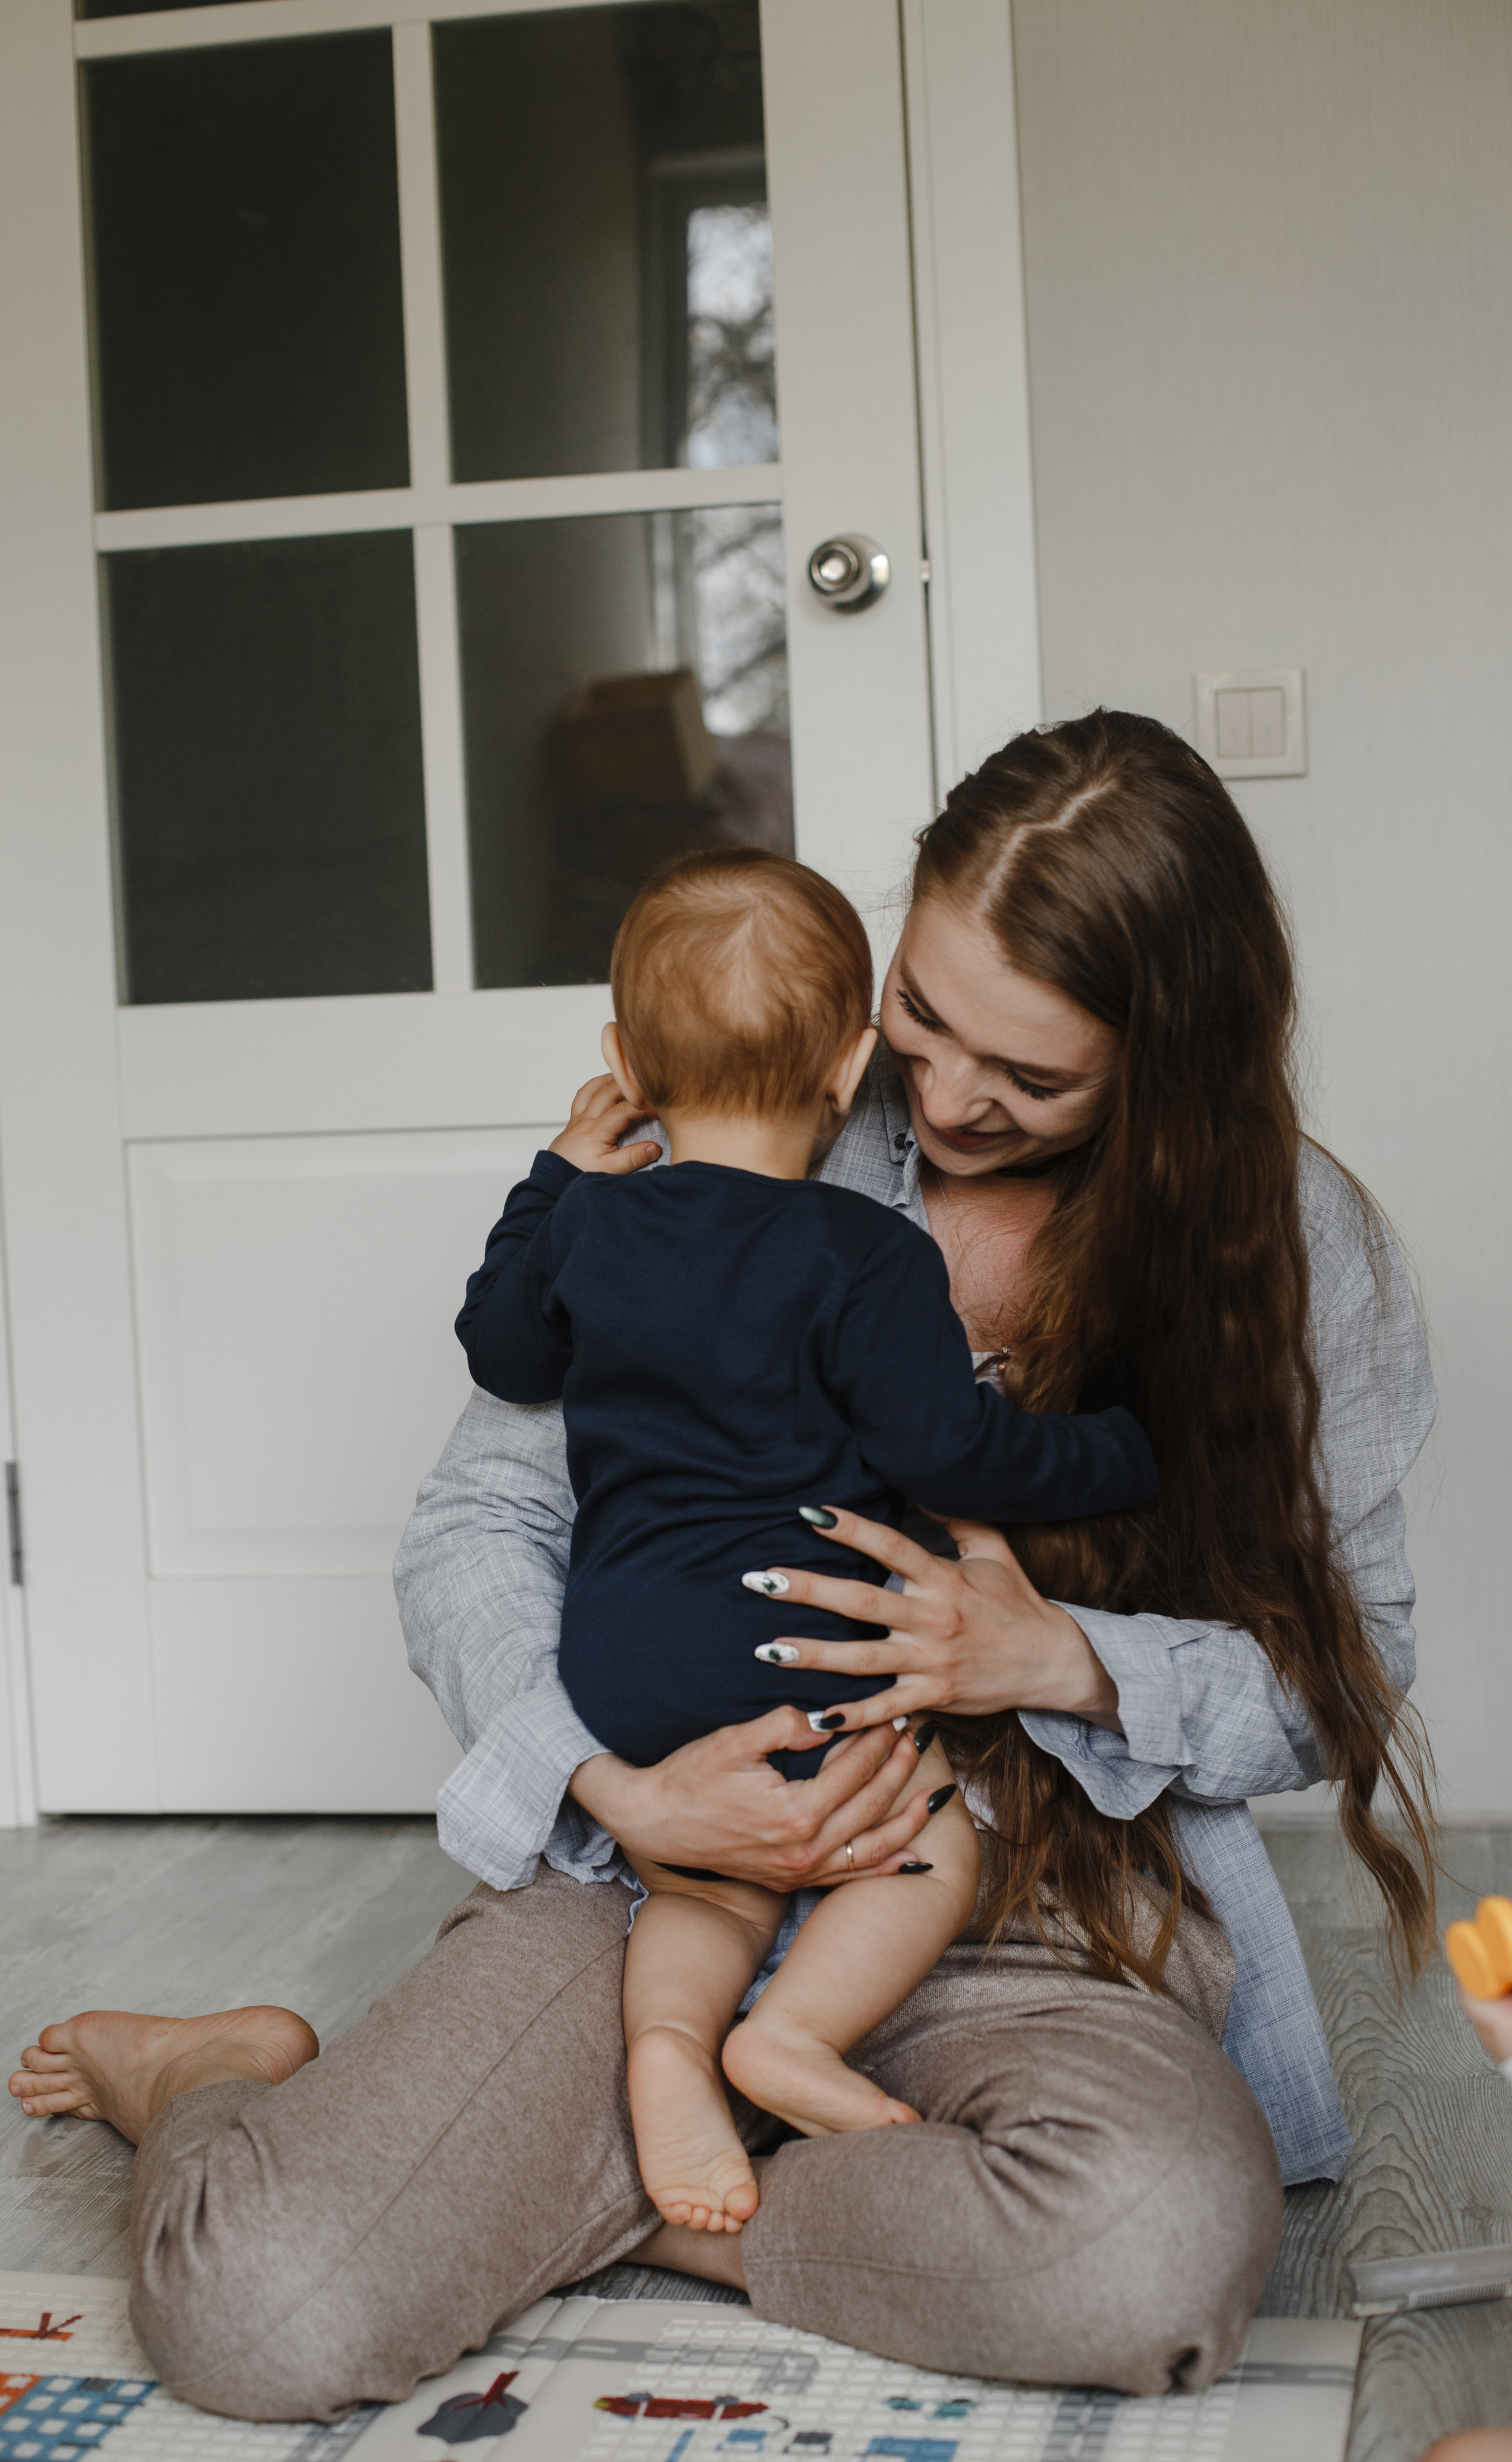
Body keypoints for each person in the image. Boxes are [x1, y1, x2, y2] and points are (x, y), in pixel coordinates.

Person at [8, 711, 1436, 2420]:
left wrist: (1056, 1659)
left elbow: (1343, 1682)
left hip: (1042, 1907)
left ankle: (620, 2196)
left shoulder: (1293, 1249)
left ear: (1168, 1063)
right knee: (263, 2311)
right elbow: (479, 1522)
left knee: (1146, 2248)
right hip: (669, 1884)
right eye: (919, 1016)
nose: (954, 1100)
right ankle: (216, 2079)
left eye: (1036, 1078)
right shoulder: (748, 1124)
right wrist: (621, 1791)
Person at [455, 850, 1158, 2234]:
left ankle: (668, 2052)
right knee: (916, 1850)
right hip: (801, 1642)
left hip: (623, 1662)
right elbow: (948, 1453)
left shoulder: (590, 1225)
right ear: (851, 1066)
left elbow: (500, 1350)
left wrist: (546, 1182)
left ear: (622, 1060)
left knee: (700, 1878)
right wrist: (1118, 1449)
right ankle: (786, 2039)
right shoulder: (864, 1254)